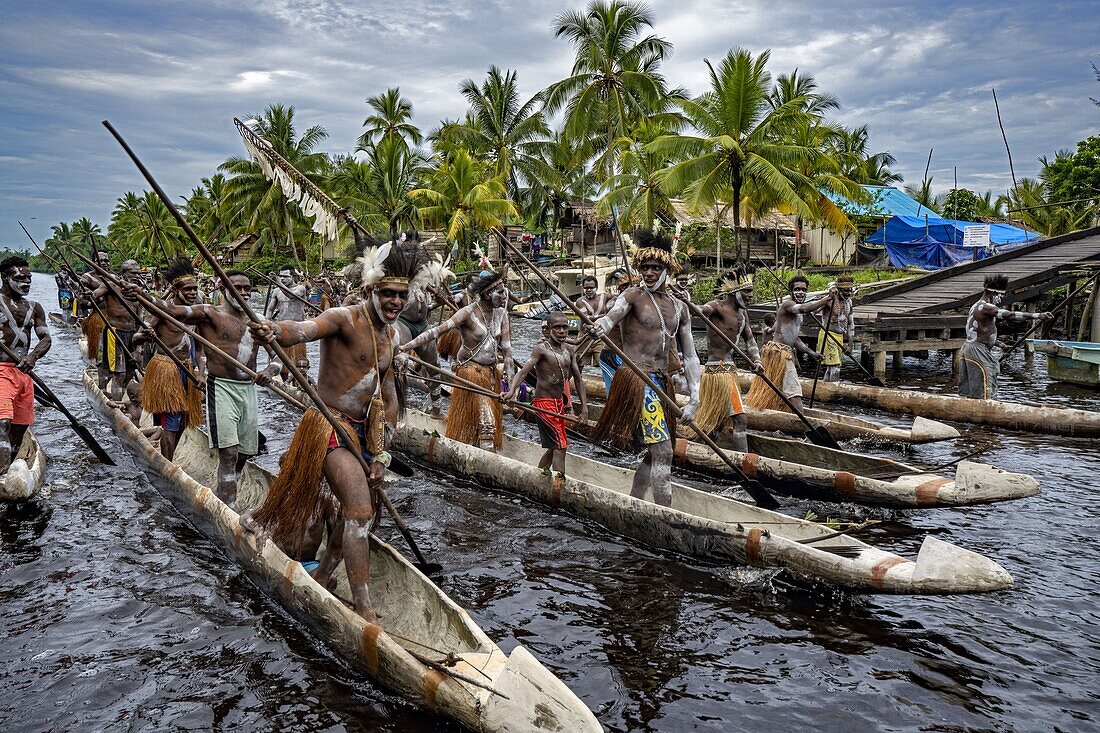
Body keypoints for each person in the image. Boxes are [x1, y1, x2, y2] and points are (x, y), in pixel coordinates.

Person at [245, 236, 422, 623]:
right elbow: (305, 329)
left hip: (363, 433)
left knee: (360, 513)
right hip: (328, 425)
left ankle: (325, 573)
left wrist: (383, 452)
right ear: (370, 289)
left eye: (400, 297)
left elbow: (389, 397)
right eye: (387, 294)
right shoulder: (344, 318)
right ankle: (365, 612)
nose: (394, 303)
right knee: (359, 509)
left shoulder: (393, 336)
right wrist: (274, 330)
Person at [130, 270, 279, 506]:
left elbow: (277, 357)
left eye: (247, 288)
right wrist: (142, 295)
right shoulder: (209, 313)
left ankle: (230, 482)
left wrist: (269, 372)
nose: (243, 293)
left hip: (248, 389)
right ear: (223, 290)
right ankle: (226, 505)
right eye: (236, 288)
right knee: (228, 452)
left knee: (246, 453)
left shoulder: (257, 321)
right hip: (220, 387)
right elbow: (173, 311)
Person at [587, 231, 700, 507]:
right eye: (645, 268)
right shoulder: (632, 296)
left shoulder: (679, 307)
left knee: (655, 453)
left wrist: (695, 398)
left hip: (662, 382)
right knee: (664, 451)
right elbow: (612, 316)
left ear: (668, 269)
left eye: (655, 268)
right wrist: (601, 325)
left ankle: (636, 501)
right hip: (637, 379)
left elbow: (690, 356)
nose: (649, 273)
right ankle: (664, 513)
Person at [401, 269, 514, 451]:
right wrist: (405, 347)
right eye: (500, 292)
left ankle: (476, 449)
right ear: (487, 294)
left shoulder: (502, 314)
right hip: (470, 372)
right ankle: (486, 458)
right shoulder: (467, 313)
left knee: (483, 418)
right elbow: (435, 332)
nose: (505, 295)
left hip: (491, 374)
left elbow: (508, 353)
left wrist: (511, 384)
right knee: (488, 424)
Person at [134, 258, 204, 460]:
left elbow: (200, 347)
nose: (192, 293)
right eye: (188, 289)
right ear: (176, 290)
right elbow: (137, 337)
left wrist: (201, 372)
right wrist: (145, 335)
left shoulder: (197, 312)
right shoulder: (162, 311)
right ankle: (167, 464)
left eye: (195, 289)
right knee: (171, 421)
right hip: (166, 370)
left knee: (183, 420)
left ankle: (169, 458)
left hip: (187, 369)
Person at [504, 312, 588, 474]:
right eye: (557, 328)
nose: (562, 331)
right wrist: (511, 391)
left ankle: (539, 476)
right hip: (544, 403)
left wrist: (584, 409)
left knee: (555, 446)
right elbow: (522, 372)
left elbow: (578, 380)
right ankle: (558, 485)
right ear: (548, 330)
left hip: (559, 404)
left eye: (565, 327)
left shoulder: (569, 350)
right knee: (560, 446)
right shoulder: (541, 349)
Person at [691, 270, 762, 452]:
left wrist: (757, 360)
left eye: (751, 292)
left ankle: (701, 453)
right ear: (733, 292)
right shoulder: (717, 307)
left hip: (730, 370)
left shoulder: (743, 316)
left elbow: (750, 341)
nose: (750, 296)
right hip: (718, 371)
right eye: (747, 292)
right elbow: (701, 310)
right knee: (740, 419)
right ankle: (743, 461)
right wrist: (689, 303)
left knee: (716, 422)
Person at [745, 274, 830, 413]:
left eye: (804, 289)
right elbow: (803, 308)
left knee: (779, 389)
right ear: (791, 291)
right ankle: (801, 423)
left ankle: (777, 414)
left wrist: (811, 353)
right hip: (779, 352)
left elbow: (794, 338)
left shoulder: (797, 314)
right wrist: (827, 299)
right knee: (794, 389)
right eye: (797, 289)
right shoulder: (788, 305)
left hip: (784, 351)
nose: (801, 292)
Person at [958, 275, 1052, 399]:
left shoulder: (975, 306)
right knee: (986, 387)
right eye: (1000, 296)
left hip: (969, 348)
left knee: (970, 389)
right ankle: (986, 412)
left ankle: (970, 410)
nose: (1001, 299)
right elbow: (1010, 315)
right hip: (977, 351)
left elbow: (980, 333)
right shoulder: (986, 307)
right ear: (993, 293)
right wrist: (1037, 315)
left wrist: (1002, 345)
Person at [0, 257, 51, 473]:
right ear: (4, 277)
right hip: (1, 372)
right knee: (3, 423)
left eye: (29, 277)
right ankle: (1, 474)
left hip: (23, 373)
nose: (26, 282)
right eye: (20, 278)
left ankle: (10, 470)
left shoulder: (35, 308)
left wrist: (32, 357)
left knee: (19, 429)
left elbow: (46, 339)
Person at [393, 233, 452, 417]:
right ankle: (394, 407)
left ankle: (436, 411)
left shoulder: (422, 272)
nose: (411, 254)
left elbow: (430, 299)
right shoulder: (395, 272)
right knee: (399, 364)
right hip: (402, 323)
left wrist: (440, 298)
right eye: (407, 250)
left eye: (413, 250)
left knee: (434, 368)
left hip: (422, 324)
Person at [91, 259, 143, 398]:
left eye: (138, 273)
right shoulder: (111, 284)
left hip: (132, 335)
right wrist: (91, 295)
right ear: (124, 273)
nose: (137, 276)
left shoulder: (138, 291)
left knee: (131, 373)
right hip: (115, 333)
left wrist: (138, 348)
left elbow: (140, 320)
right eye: (133, 273)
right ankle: (116, 405)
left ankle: (121, 398)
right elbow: (96, 294)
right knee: (120, 373)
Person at [265, 267, 311, 378]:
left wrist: (278, 282)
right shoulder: (276, 291)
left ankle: (298, 382)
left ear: (293, 277)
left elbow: (290, 295)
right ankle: (283, 380)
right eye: (281, 276)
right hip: (281, 329)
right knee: (280, 361)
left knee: (299, 363)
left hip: (298, 329)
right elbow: (270, 309)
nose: (282, 278)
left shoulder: (300, 289)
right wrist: (267, 322)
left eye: (285, 276)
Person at [816, 274, 855, 383]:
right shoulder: (829, 300)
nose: (848, 293)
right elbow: (812, 310)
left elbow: (851, 324)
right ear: (838, 290)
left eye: (849, 290)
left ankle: (825, 389)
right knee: (835, 367)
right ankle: (834, 391)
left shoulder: (849, 302)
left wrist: (850, 344)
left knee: (831, 368)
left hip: (839, 337)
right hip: (828, 336)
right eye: (845, 291)